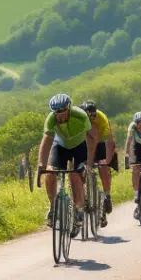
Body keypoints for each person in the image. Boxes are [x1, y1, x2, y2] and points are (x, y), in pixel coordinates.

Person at [38, 94, 97, 237]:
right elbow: (46, 142)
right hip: (60, 146)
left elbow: (90, 139)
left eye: (62, 112)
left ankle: (78, 210)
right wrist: (41, 164)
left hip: (79, 146)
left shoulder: (80, 115)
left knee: (75, 176)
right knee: (51, 173)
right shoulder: (51, 119)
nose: (59, 116)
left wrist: (88, 163)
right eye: (56, 113)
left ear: (69, 109)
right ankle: (53, 207)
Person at [80, 100, 115, 222]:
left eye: (93, 115)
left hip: (100, 140)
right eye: (89, 116)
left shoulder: (101, 118)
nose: (92, 118)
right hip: (83, 141)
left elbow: (110, 141)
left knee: (103, 167)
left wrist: (108, 161)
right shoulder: (78, 118)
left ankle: (106, 196)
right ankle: (81, 198)